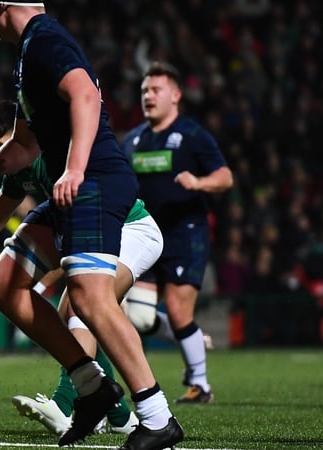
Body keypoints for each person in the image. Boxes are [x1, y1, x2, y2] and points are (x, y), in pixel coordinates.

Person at [0, 3, 183, 448]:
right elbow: (22, 145)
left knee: (87, 299)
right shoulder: (29, 52)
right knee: (4, 284)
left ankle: (157, 418)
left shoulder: (45, 39)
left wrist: (75, 168)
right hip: (76, 187)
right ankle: (92, 387)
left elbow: (85, 95)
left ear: (2, 9)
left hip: (93, 181)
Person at [0, 100, 164, 435]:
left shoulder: (54, 158)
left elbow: (84, 227)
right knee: (4, 286)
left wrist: (50, 277)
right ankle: (117, 414)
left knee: (79, 305)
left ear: (21, 139)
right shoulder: (20, 170)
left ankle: (89, 406)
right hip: (70, 225)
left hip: (131, 230)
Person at [120, 61, 233, 404]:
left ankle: (200, 384)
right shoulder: (134, 139)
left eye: (156, 90)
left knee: (179, 309)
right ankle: (191, 337)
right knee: (137, 316)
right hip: (143, 233)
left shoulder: (193, 134)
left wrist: (198, 182)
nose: (148, 96)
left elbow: (225, 177)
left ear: (176, 95)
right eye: (144, 91)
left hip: (186, 232)